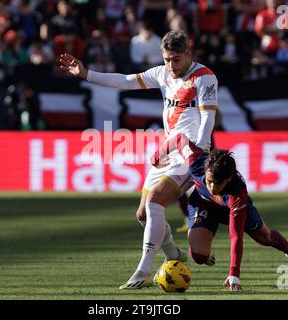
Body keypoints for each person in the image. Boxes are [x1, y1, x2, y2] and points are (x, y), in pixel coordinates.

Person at [59, 30, 218, 289]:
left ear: (188, 54)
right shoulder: (162, 74)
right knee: (143, 214)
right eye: (166, 59)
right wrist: (87, 74)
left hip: (191, 153)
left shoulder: (204, 77)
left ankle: (144, 269)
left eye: (176, 59)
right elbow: (125, 80)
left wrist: (199, 152)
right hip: (169, 152)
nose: (171, 65)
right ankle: (173, 255)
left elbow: (208, 117)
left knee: (156, 200)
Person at [151, 133, 288, 291]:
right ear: (206, 170)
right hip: (203, 205)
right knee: (198, 256)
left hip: (230, 211)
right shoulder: (196, 161)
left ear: (228, 179)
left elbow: (235, 235)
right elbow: (179, 138)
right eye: (209, 181)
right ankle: (206, 253)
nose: (212, 187)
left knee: (265, 238)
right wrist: (156, 157)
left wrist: (234, 274)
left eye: (218, 184)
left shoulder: (237, 194)